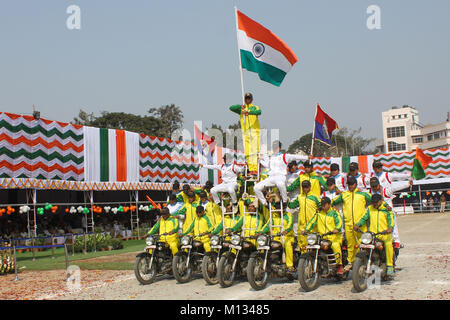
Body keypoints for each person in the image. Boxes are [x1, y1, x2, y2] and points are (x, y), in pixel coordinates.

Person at [331, 176, 372, 272]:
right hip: (348, 224)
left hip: (360, 224)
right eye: (349, 184)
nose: (350, 186)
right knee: (350, 244)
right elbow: (332, 202)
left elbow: (375, 199)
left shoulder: (363, 194)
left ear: (356, 184)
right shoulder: (344, 195)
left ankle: (364, 262)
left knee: (363, 243)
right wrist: (334, 208)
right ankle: (350, 262)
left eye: (352, 184)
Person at [254, 141, 308, 208]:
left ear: (279, 148)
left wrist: (307, 157)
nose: (275, 149)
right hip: (271, 177)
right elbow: (267, 166)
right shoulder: (271, 158)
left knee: (280, 184)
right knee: (256, 187)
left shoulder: (285, 156)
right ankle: (265, 204)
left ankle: (285, 201)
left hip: (280, 177)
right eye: (273, 147)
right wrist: (260, 161)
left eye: (276, 147)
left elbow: (295, 157)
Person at [354, 194, 395, 276]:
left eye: (376, 202)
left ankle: (390, 265)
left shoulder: (387, 209)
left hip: (384, 234)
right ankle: (359, 262)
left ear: (380, 201)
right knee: (360, 243)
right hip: (373, 235)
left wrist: (390, 228)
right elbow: (364, 218)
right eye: (373, 202)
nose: (374, 204)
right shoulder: (370, 208)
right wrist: (358, 224)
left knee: (388, 244)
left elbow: (391, 220)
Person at [304, 197, 344, 274]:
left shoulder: (334, 213)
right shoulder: (319, 214)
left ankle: (339, 265)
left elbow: (339, 222)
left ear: (329, 204)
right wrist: (306, 230)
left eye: (324, 205)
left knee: (335, 246)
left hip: (334, 237)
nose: (323, 207)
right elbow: (312, 222)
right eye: (322, 205)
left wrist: (336, 229)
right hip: (322, 238)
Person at [369, 176, 411, 249]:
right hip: (375, 214)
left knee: (393, 226)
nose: (374, 188)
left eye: (376, 186)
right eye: (373, 186)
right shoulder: (369, 193)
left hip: (387, 213)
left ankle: (396, 242)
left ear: (379, 184)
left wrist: (407, 184)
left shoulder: (386, 191)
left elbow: (396, 188)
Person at [257, 200, 295, 272]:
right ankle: (262, 263)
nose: (278, 210)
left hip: (287, 237)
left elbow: (290, 225)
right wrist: (260, 232)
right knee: (263, 244)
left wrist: (286, 231)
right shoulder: (273, 216)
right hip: (275, 238)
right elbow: (267, 226)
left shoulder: (289, 215)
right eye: (277, 208)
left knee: (287, 245)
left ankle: (290, 266)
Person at [229, 92, 261, 176]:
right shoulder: (241, 109)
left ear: (252, 99)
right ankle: (250, 169)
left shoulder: (254, 107)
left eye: (249, 98)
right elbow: (231, 108)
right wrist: (240, 107)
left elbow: (259, 112)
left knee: (254, 151)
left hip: (254, 132)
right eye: (246, 98)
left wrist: (249, 112)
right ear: (244, 99)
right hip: (245, 133)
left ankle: (255, 169)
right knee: (248, 152)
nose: (247, 100)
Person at [287, 180, 321, 253]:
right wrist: (287, 201)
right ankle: (304, 262)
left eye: (306, 187)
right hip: (302, 225)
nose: (305, 189)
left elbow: (321, 207)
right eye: (303, 187)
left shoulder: (315, 197)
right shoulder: (299, 197)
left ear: (310, 187)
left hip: (312, 225)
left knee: (312, 244)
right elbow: (292, 206)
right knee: (303, 245)